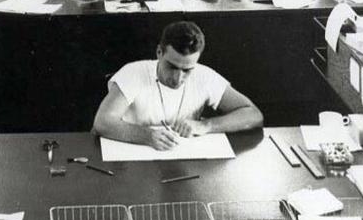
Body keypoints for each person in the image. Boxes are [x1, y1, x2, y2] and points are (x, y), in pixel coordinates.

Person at [93, 21, 263, 150]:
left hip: (178, 156)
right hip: (128, 153)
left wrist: (205, 126)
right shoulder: (133, 72)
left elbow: (253, 115)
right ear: (159, 52)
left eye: (187, 70)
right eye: (172, 67)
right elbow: (102, 122)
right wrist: (148, 136)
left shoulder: (205, 75)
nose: (177, 78)